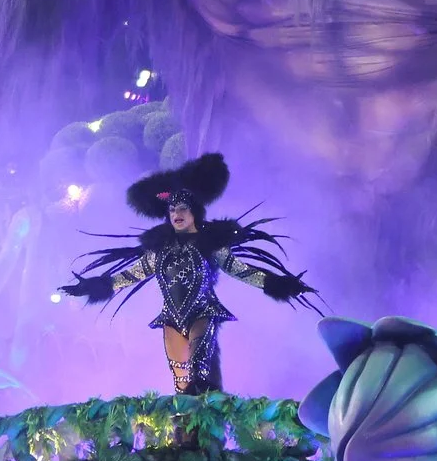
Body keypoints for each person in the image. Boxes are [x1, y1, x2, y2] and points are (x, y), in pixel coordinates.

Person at [58, 153, 314, 395]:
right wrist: (92, 287)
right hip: (170, 318)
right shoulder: (159, 250)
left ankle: (207, 431)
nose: (176, 214)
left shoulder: (209, 244)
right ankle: (187, 436)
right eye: (171, 210)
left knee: (200, 374)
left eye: (182, 209)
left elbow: (241, 271)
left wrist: (280, 284)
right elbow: (131, 275)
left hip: (203, 313)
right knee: (181, 384)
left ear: (194, 212)